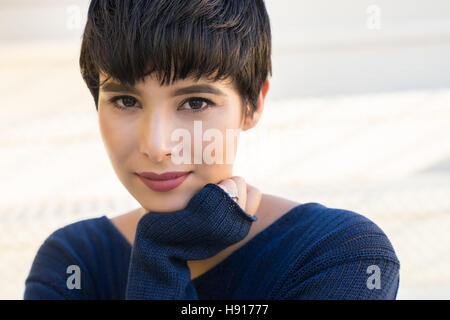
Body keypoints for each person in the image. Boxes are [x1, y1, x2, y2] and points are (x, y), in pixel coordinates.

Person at [24, 0, 400, 300]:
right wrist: (161, 250)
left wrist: (161, 255)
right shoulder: (72, 265)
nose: (156, 146)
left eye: (195, 103)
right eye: (125, 100)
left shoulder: (338, 256)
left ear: (252, 105)